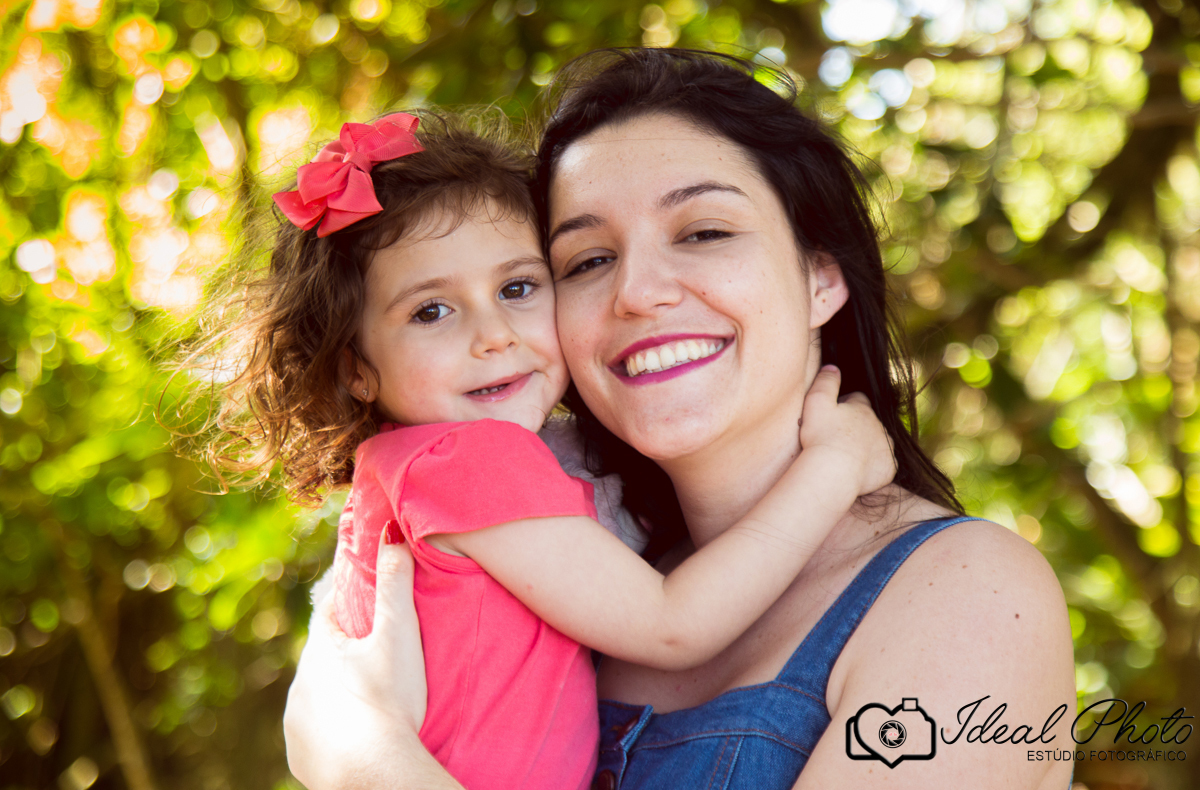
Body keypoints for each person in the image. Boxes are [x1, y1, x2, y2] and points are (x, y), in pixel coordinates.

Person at [282, 49, 1076, 789]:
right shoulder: (575, 578)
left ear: (822, 277)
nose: (638, 292)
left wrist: (369, 761)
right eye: (588, 261)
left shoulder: (966, 592)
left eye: (703, 232)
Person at [198, 109, 895, 789]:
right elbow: (673, 625)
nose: (494, 333)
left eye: (518, 287)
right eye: (431, 311)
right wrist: (833, 466)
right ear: (355, 367)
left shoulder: (418, 467)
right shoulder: (464, 462)